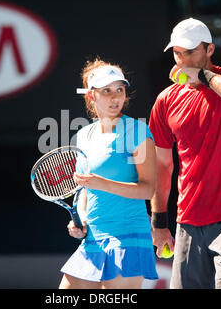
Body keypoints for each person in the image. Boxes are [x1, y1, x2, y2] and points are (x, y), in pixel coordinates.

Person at [148, 18, 221, 289]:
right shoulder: (165, 100)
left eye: (191, 51)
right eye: (177, 53)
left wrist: (204, 76)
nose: (183, 59)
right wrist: (159, 221)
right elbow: (162, 165)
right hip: (187, 221)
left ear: (209, 50)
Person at [59, 58, 158, 289]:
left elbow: (147, 188)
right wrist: (79, 219)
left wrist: (102, 183)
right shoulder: (83, 136)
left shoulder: (138, 131)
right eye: (106, 91)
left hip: (128, 237)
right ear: (91, 96)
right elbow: (84, 189)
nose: (115, 97)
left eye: (119, 90)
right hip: (93, 239)